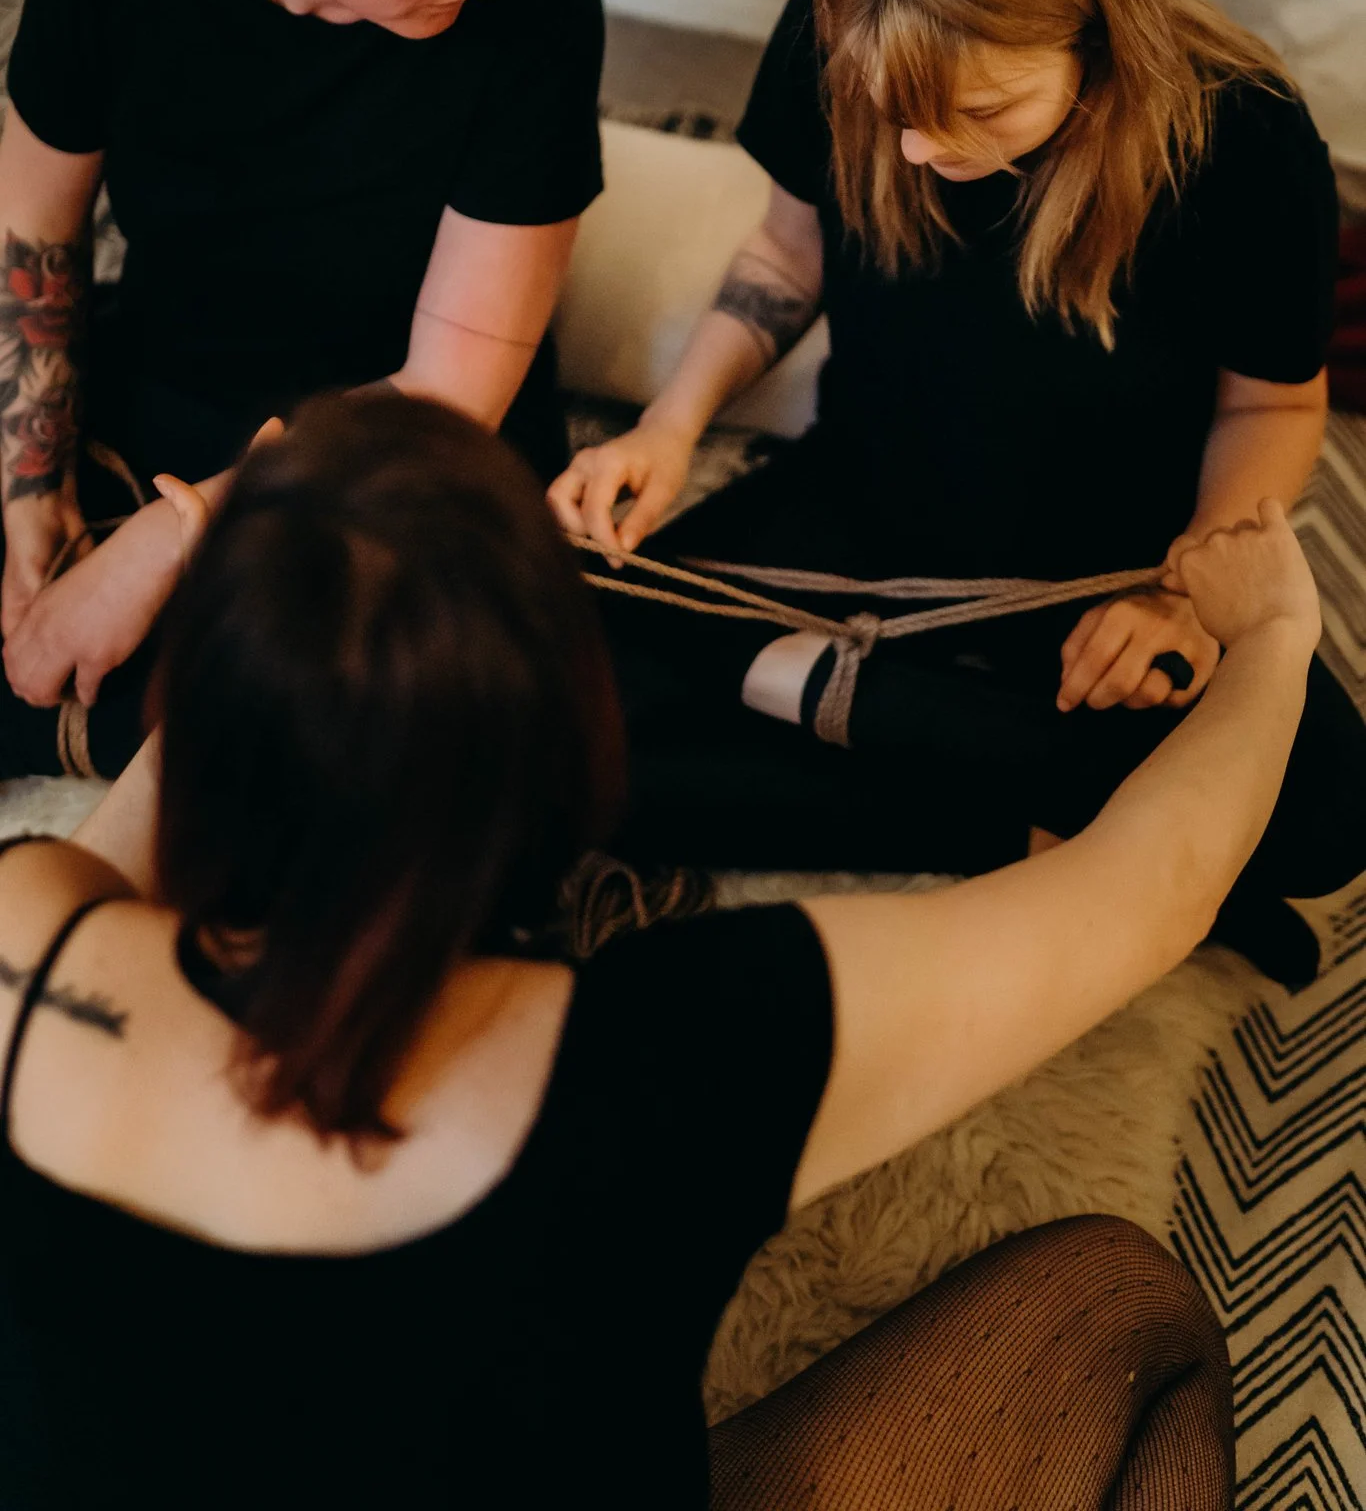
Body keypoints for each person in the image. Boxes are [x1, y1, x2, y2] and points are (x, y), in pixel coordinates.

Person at [0, 386, 1324, 1505]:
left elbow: (148, 831)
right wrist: (1271, 637)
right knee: (1122, 1303)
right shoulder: (673, 1052)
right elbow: (1151, 886)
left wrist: (264, 565)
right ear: (559, 745)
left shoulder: (30, 941)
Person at [551, 0, 1365, 991]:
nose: (925, 149)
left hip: (1112, 567)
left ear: (1103, 35)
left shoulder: (1243, 139)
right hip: (865, 501)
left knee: (1328, 814)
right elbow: (785, 249)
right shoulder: (835, 22)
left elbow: (1273, 403)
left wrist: (1188, 596)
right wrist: (668, 430)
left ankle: (831, 700)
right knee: (549, 714)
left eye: (981, 107)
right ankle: (1005, 818)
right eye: (896, 111)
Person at [0, 0, 604, 779]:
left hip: (400, 451)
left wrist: (169, 540)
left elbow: (446, 391)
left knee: (383, 729)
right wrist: (29, 478)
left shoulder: (539, 15)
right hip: (166, 378)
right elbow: (33, 229)